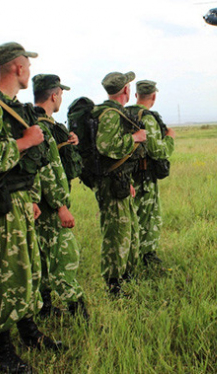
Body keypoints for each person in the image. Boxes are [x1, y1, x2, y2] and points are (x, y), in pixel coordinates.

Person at [0, 42, 60, 374]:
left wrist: (32, 196)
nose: (29, 72)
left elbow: (26, 164)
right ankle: (2, 349)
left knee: (28, 269)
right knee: (5, 274)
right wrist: (24, 142)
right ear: (17, 68)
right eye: (27, 67)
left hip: (19, 202)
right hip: (0, 207)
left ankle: (28, 331)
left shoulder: (11, 105)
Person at [32, 73, 89, 320]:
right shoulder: (42, 127)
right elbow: (47, 168)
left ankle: (44, 309)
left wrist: (68, 143)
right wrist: (60, 206)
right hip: (49, 206)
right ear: (54, 95)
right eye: (61, 94)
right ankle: (78, 314)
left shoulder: (37, 124)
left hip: (37, 206)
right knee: (64, 256)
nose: (61, 98)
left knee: (42, 258)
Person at [92, 71, 146, 295]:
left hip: (119, 180)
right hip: (110, 183)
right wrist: (134, 138)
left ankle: (126, 276)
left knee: (128, 230)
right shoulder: (110, 114)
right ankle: (113, 284)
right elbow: (105, 146)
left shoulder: (113, 112)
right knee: (117, 234)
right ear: (125, 90)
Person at [126, 80, 176, 265]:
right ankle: (146, 256)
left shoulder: (126, 113)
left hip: (127, 175)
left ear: (136, 95)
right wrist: (170, 139)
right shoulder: (147, 118)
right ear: (153, 96)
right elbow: (158, 151)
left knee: (134, 215)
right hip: (143, 176)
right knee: (148, 216)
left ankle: (133, 253)